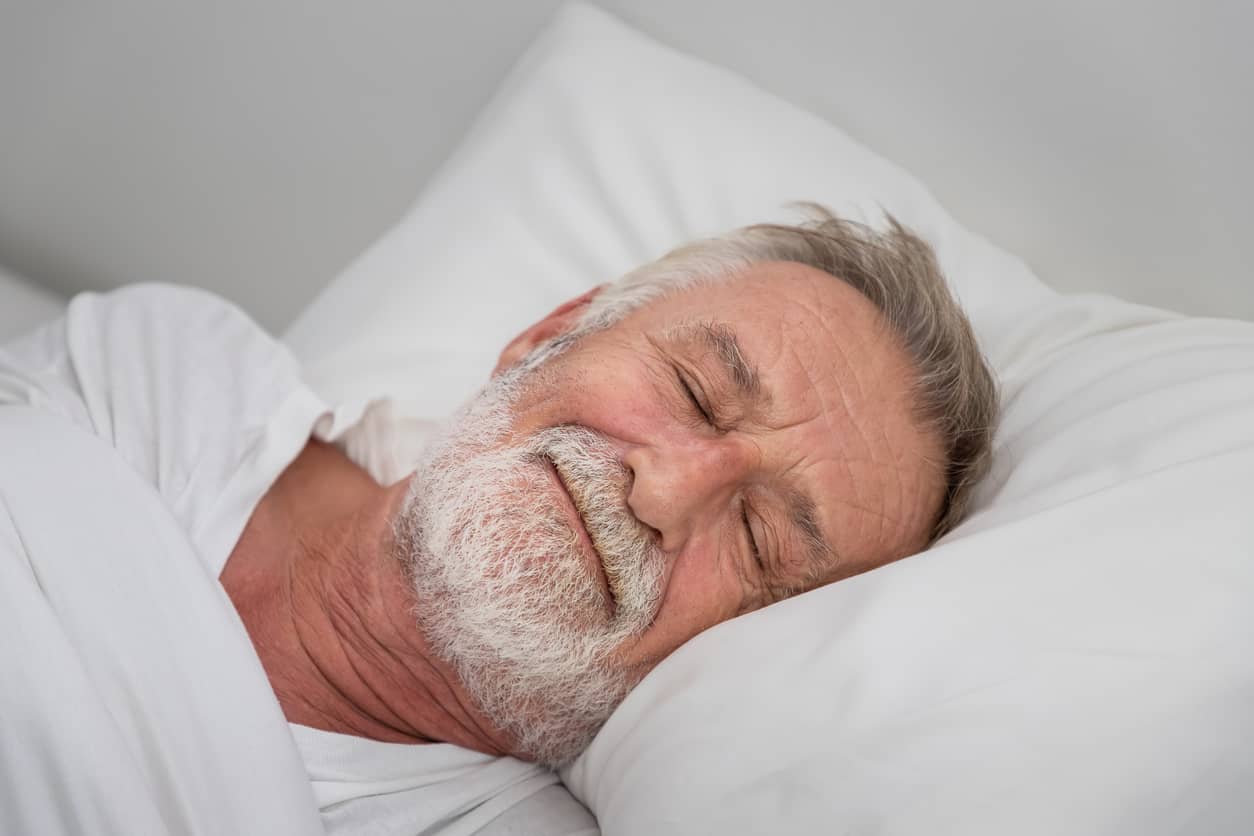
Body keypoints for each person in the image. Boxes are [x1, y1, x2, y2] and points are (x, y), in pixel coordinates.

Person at [0, 207, 997, 834]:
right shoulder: (174, 371)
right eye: (694, 391)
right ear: (555, 330)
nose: (664, 490)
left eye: (761, 540)